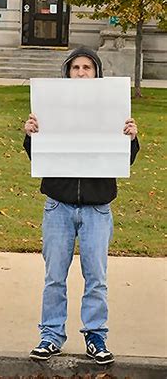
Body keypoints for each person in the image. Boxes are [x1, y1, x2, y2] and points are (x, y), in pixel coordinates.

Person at [23, 47, 139, 365]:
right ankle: (50, 336)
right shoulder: (51, 109)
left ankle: (96, 335)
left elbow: (124, 161)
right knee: (54, 276)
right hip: (58, 205)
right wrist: (32, 135)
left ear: (97, 73)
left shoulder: (113, 110)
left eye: (87, 67)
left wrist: (130, 138)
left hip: (97, 207)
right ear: (68, 73)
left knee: (96, 276)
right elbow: (39, 158)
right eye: (75, 67)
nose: (81, 72)